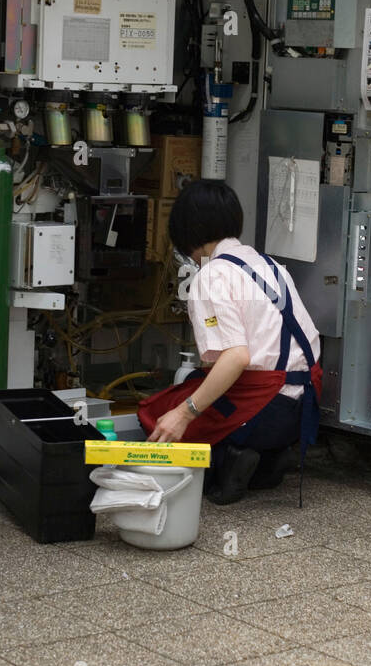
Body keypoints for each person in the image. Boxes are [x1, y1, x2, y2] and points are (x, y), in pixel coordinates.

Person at [137, 179, 322, 505]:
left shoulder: (212, 276)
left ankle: (232, 460)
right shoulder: (270, 264)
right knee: (197, 385)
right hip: (304, 406)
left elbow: (235, 357)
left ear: (186, 231)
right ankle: (268, 459)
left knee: (157, 413)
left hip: (265, 408)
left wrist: (184, 414)